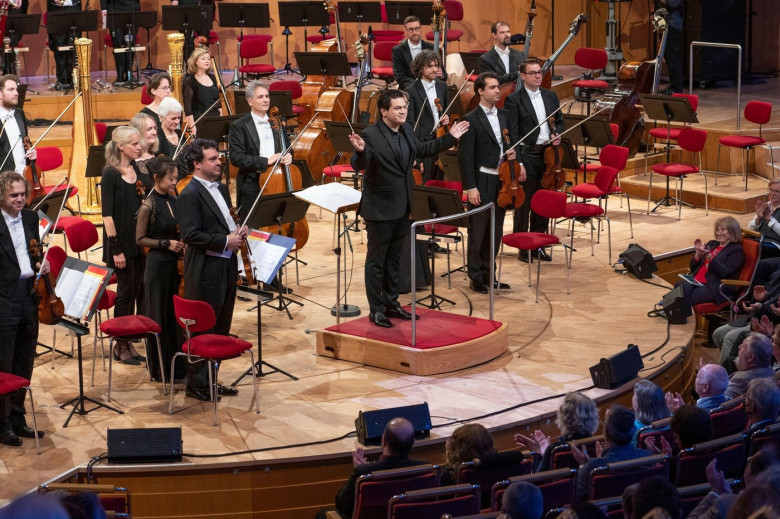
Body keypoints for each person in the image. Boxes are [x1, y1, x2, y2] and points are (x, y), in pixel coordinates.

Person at [349, 89, 469, 328]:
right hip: (380, 209)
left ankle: (392, 303)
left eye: (404, 106)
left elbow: (423, 150)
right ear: (384, 111)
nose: (403, 111)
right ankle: (376, 309)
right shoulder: (370, 135)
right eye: (397, 108)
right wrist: (360, 151)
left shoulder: (406, 130)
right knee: (376, 262)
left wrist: (451, 137)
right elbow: (360, 162)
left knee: (394, 260)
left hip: (404, 206)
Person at [176, 138, 244, 401]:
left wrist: (236, 232)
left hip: (226, 264)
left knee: (221, 327)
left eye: (218, 157)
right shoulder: (189, 194)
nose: (219, 162)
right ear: (196, 164)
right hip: (204, 270)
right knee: (203, 328)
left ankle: (212, 380)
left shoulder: (223, 189)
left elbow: (223, 223)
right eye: (212, 159)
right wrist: (226, 240)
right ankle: (196, 385)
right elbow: (191, 235)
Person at [459, 71, 519, 294]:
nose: (497, 91)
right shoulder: (470, 119)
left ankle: (489, 275)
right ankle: (476, 277)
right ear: (480, 91)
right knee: (478, 232)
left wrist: (512, 154)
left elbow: (510, 142)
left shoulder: (505, 115)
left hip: (502, 181)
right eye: (492, 87)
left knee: (495, 231)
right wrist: (470, 187)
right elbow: (465, 158)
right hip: (481, 180)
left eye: (498, 87)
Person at [0, 171, 48, 447]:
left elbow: (34, 250)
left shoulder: (30, 218)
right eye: (13, 195)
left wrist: (41, 264)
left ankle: (18, 418)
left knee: (24, 361)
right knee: (3, 363)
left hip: (30, 296)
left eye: (22, 194)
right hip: (4, 300)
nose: (20, 199)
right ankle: (2, 423)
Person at [101, 126, 152, 365]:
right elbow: (107, 217)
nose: (139, 146)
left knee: (139, 290)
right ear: (120, 146)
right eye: (133, 143)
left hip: (139, 241)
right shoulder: (110, 174)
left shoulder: (139, 171)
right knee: (125, 293)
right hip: (120, 244)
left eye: (138, 142)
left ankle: (131, 340)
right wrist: (116, 249)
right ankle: (121, 345)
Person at [504, 57, 564, 257]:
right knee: (525, 203)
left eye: (540, 72)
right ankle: (523, 247)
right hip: (527, 155)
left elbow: (560, 121)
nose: (538, 76)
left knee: (543, 201)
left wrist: (558, 134)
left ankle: (538, 245)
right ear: (522, 76)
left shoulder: (550, 96)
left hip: (547, 156)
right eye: (533, 73)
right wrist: (519, 163)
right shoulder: (514, 99)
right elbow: (513, 134)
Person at [135, 156, 185, 384]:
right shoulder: (148, 204)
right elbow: (140, 239)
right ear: (157, 178)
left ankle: (178, 366)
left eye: (176, 177)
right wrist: (166, 243)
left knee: (174, 317)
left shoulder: (174, 199)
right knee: (159, 316)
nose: (175, 181)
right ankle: (160, 368)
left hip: (175, 266)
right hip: (157, 267)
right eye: (171, 178)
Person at [315, 417, 426, 519]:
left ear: (383, 440)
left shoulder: (364, 474)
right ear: (413, 443)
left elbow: (342, 505)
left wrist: (358, 472)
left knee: (322, 514)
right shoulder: (426, 470)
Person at [228, 80, 292, 221]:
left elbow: (288, 149)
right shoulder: (239, 126)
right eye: (260, 97)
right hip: (252, 183)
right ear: (250, 101)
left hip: (277, 181)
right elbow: (236, 157)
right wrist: (266, 161)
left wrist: (289, 156)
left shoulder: (278, 123)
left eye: (267, 96)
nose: (265, 100)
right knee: (252, 226)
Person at [572, 404, 651, 502]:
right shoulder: (648, 457)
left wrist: (583, 466)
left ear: (605, 433)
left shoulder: (592, 467)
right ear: (634, 430)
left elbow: (579, 502)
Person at [515, 392, 600, 473]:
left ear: (563, 419)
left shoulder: (555, 449)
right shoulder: (598, 444)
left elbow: (538, 479)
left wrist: (538, 452)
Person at [677, 216, 745, 307]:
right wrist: (698, 254)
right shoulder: (712, 244)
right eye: (717, 229)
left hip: (714, 287)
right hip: (696, 281)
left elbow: (725, 272)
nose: (719, 233)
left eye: (723, 230)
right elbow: (693, 268)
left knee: (683, 297)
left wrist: (709, 257)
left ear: (732, 232)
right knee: (679, 287)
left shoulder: (736, 250)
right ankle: (677, 316)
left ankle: (678, 317)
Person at [405, 50, 450, 184]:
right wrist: (418, 158)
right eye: (430, 66)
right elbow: (411, 124)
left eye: (436, 66)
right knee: (425, 184)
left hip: (440, 140)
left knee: (439, 183)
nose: (434, 69)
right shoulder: (411, 90)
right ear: (420, 68)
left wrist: (445, 118)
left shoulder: (442, 86)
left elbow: (446, 109)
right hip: (424, 144)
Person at [0, 75, 36, 176]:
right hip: (4, 180)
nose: (16, 93)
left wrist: (31, 152)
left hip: (25, 176)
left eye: (16, 89)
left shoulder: (19, 113)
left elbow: (26, 141)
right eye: (11, 90)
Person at [724, 333, 776, 400]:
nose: (739, 347)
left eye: (743, 346)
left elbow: (718, 403)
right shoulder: (770, 370)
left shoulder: (740, 380)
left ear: (750, 357)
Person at [182, 46, 221, 136]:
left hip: (215, 120)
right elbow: (188, 109)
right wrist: (192, 126)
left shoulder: (213, 78)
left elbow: (218, 104)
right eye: (203, 59)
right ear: (195, 61)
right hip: (200, 121)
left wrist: (221, 121)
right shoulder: (190, 81)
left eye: (208, 59)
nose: (207, 61)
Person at [101, 0, 141, 85]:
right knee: (118, 44)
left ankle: (129, 75)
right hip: (114, 7)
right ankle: (120, 76)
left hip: (132, 7)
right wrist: (104, 8)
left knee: (130, 43)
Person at [391, 16, 435, 90]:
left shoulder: (431, 48)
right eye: (411, 29)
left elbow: (443, 74)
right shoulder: (398, 50)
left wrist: (441, 75)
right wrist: (419, 85)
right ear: (405, 31)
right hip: (409, 89)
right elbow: (399, 76)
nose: (415, 32)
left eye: (417, 28)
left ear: (420, 29)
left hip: (429, 88)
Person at [478, 21, 524, 86]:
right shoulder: (485, 59)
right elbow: (495, 81)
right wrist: (517, 74)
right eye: (502, 32)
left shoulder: (519, 55)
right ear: (494, 35)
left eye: (508, 32)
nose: (507, 35)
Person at [47, 0, 81, 87]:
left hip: (73, 9)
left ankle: (73, 78)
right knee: (59, 46)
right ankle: (62, 79)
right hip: (56, 10)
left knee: (73, 46)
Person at [657, 0, 684, 95]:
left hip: (673, 25)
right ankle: (673, 85)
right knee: (668, 57)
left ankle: (676, 88)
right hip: (664, 24)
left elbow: (673, 3)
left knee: (673, 58)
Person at [632, 380, 671, 446]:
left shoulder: (634, 428)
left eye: (634, 395)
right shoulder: (671, 419)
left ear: (641, 403)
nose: (632, 397)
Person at [139, 72, 172, 137]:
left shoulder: (174, 110)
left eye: (169, 87)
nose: (168, 91)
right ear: (153, 91)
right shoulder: (144, 114)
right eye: (164, 88)